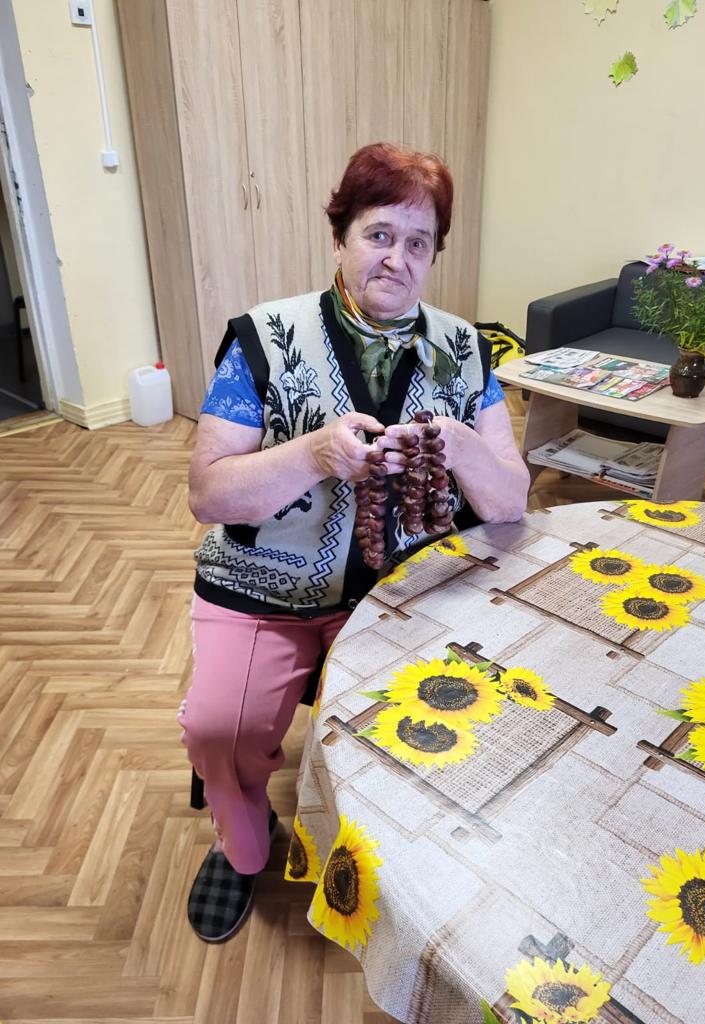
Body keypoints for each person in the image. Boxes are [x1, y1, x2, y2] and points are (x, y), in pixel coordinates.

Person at [179, 142, 530, 943]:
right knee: (218, 729)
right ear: (339, 236)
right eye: (379, 234)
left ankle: (395, 853)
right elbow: (207, 494)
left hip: (405, 593)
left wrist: (456, 443)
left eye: (419, 242)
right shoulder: (264, 338)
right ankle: (242, 843)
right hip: (262, 589)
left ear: (434, 255)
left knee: (446, 727)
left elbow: (511, 500)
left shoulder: (466, 350)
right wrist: (313, 454)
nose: (397, 259)